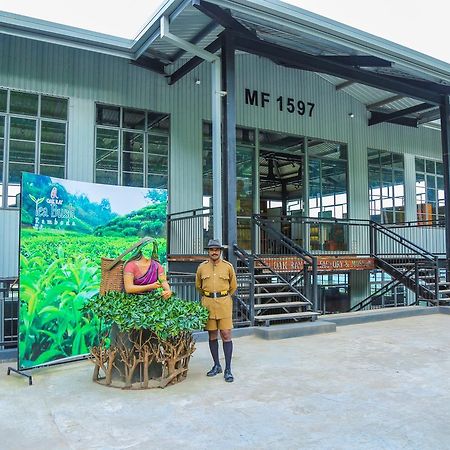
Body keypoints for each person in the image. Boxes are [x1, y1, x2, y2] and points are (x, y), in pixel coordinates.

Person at [195, 239, 237, 382]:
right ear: (208, 251)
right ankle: (216, 365)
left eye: (217, 250)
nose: (214, 252)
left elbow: (233, 286)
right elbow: (199, 286)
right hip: (208, 304)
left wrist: (223, 297)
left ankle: (228, 369)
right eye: (212, 250)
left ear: (220, 251)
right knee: (212, 335)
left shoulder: (228, 267)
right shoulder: (202, 267)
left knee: (226, 334)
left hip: (224, 303)